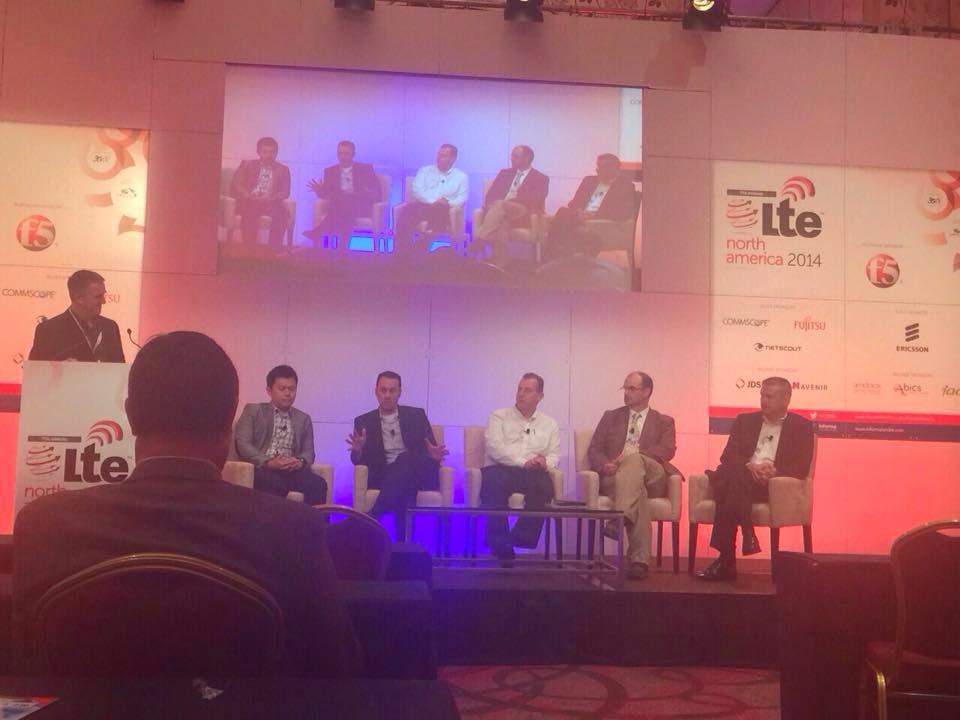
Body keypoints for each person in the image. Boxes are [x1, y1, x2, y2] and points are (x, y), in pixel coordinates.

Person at [12, 331, 361, 676]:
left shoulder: (42, 524)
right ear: (229, 420)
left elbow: (20, 667)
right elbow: (339, 669)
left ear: (130, 415)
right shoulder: (294, 530)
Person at [696, 376, 815, 582]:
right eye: (762, 395)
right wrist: (750, 467)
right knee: (735, 478)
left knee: (724, 484)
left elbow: (802, 466)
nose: (763, 401)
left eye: (769, 397)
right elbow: (728, 456)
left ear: (786, 399)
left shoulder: (802, 426)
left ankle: (727, 560)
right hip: (744, 479)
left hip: (773, 488)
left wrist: (773, 472)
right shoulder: (744, 421)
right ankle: (747, 533)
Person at [587, 371, 680, 580]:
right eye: (625, 388)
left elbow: (667, 450)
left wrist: (634, 456)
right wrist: (605, 465)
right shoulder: (611, 417)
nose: (626, 393)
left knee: (635, 460)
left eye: (632, 389)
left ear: (647, 392)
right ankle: (639, 560)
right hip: (617, 476)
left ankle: (619, 517)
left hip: (653, 474)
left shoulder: (664, 421)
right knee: (639, 494)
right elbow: (595, 449)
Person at [347, 371, 447, 540]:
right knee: (405, 483)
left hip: (419, 471)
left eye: (392, 390)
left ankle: (374, 514)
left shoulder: (416, 415)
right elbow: (358, 462)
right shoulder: (364, 421)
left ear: (400, 392)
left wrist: (434, 455)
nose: (387, 395)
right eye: (383, 390)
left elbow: (431, 448)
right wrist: (358, 450)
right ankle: (403, 542)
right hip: (386, 475)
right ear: (376, 392)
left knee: (405, 459)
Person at [480, 373, 560, 565]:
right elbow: (495, 448)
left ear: (540, 396)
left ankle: (520, 537)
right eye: (519, 389)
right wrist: (523, 462)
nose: (521, 394)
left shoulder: (549, 424)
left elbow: (554, 455)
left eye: (527, 390)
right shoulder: (499, 416)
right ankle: (500, 545)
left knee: (544, 486)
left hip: (532, 472)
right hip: (502, 468)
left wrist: (544, 463)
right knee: (493, 483)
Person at [234, 365, 327, 505]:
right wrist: (268, 462)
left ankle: (315, 520)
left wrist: (299, 462)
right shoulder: (253, 411)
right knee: (273, 484)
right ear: (269, 390)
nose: (288, 393)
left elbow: (309, 452)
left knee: (319, 484)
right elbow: (243, 444)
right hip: (263, 468)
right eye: (282, 389)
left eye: (292, 389)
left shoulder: (303, 419)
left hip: (291, 471)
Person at [546, 153, 637, 259]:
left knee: (563, 218)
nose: (597, 170)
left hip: (599, 221)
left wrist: (593, 214)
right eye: (597, 166)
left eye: (601, 167)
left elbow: (623, 213)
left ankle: (551, 253)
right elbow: (573, 203)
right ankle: (559, 254)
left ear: (614, 168)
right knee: (564, 213)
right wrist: (579, 210)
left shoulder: (626, 187)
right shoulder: (589, 180)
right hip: (579, 218)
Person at [28, 269, 125, 363]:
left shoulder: (110, 327)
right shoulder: (49, 330)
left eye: (103, 295)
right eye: (98, 297)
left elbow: (120, 369)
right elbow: (36, 371)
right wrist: (61, 367)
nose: (103, 301)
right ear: (78, 298)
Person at [473, 145, 549, 264]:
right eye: (512, 156)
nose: (511, 159)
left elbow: (537, 200)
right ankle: (500, 264)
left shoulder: (540, 178)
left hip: (522, 211)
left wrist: (507, 203)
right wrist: (492, 206)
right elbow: (490, 196)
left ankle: (482, 240)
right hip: (499, 213)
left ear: (527, 159)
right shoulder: (504, 173)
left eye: (515, 156)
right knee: (501, 222)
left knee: (501, 205)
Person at [303, 140, 382, 249]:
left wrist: (357, 193)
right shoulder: (330, 171)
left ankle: (319, 232)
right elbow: (327, 195)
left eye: (346, 153)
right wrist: (319, 191)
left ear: (353, 154)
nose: (343, 157)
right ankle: (342, 247)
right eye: (340, 153)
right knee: (343, 205)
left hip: (361, 205)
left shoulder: (365, 169)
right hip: (340, 206)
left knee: (345, 202)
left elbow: (377, 191)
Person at [393, 144, 468, 250]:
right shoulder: (425, 171)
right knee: (408, 210)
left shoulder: (461, 177)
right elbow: (417, 190)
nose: (439, 158)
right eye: (439, 154)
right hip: (424, 206)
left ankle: (421, 246)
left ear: (453, 159)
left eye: (443, 155)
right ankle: (402, 250)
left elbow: (462, 198)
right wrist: (433, 201)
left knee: (440, 209)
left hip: (446, 210)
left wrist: (447, 203)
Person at [230, 136, 291, 248]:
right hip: (250, 200)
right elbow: (237, 184)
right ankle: (249, 248)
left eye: (272, 152)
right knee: (250, 211)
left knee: (281, 214)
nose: (269, 155)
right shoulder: (247, 164)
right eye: (265, 152)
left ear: (277, 153)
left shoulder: (283, 169)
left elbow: (285, 192)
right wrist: (249, 196)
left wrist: (270, 197)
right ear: (258, 152)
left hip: (271, 202)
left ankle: (273, 250)